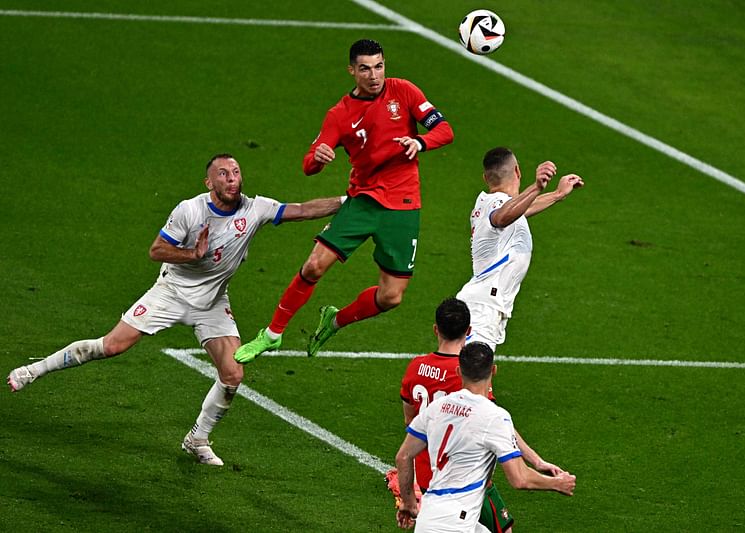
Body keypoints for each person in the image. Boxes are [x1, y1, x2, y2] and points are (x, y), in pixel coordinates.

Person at [7, 154, 343, 466]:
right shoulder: (190, 211)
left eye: (236, 172)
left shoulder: (255, 209)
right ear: (209, 183)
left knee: (233, 373)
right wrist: (191, 255)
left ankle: (197, 438)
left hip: (213, 303)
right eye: (223, 174)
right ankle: (32, 371)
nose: (232, 179)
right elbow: (157, 250)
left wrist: (347, 203)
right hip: (170, 293)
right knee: (111, 346)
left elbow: (301, 209)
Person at [235, 38, 454, 362]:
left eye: (379, 66)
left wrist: (420, 142)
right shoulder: (340, 114)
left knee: (392, 296)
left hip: (404, 205)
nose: (374, 75)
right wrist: (319, 158)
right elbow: (309, 163)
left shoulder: (404, 91)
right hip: (363, 201)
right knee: (313, 266)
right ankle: (272, 335)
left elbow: (445, 130)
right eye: (365, 68)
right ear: (352, 70)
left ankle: (334, 321)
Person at [396, 297, 566, 532]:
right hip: (465, 471)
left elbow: (409, 422)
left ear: (436, 329)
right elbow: (497, 425)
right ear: (469, 330)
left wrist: (408, 499)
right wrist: (536, 461)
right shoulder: (469, 372)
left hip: (430, 473)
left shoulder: (416, 367)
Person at [456, 147, 584, 351]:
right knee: (472, 377)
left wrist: (557, 194)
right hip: (484, 308)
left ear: (485, 177)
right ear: (517, 171)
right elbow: (502, 216)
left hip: (484, 303)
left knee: (475, 377)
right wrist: (536, 187)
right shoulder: (497, 204)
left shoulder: (490, 203)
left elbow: (521, 210)